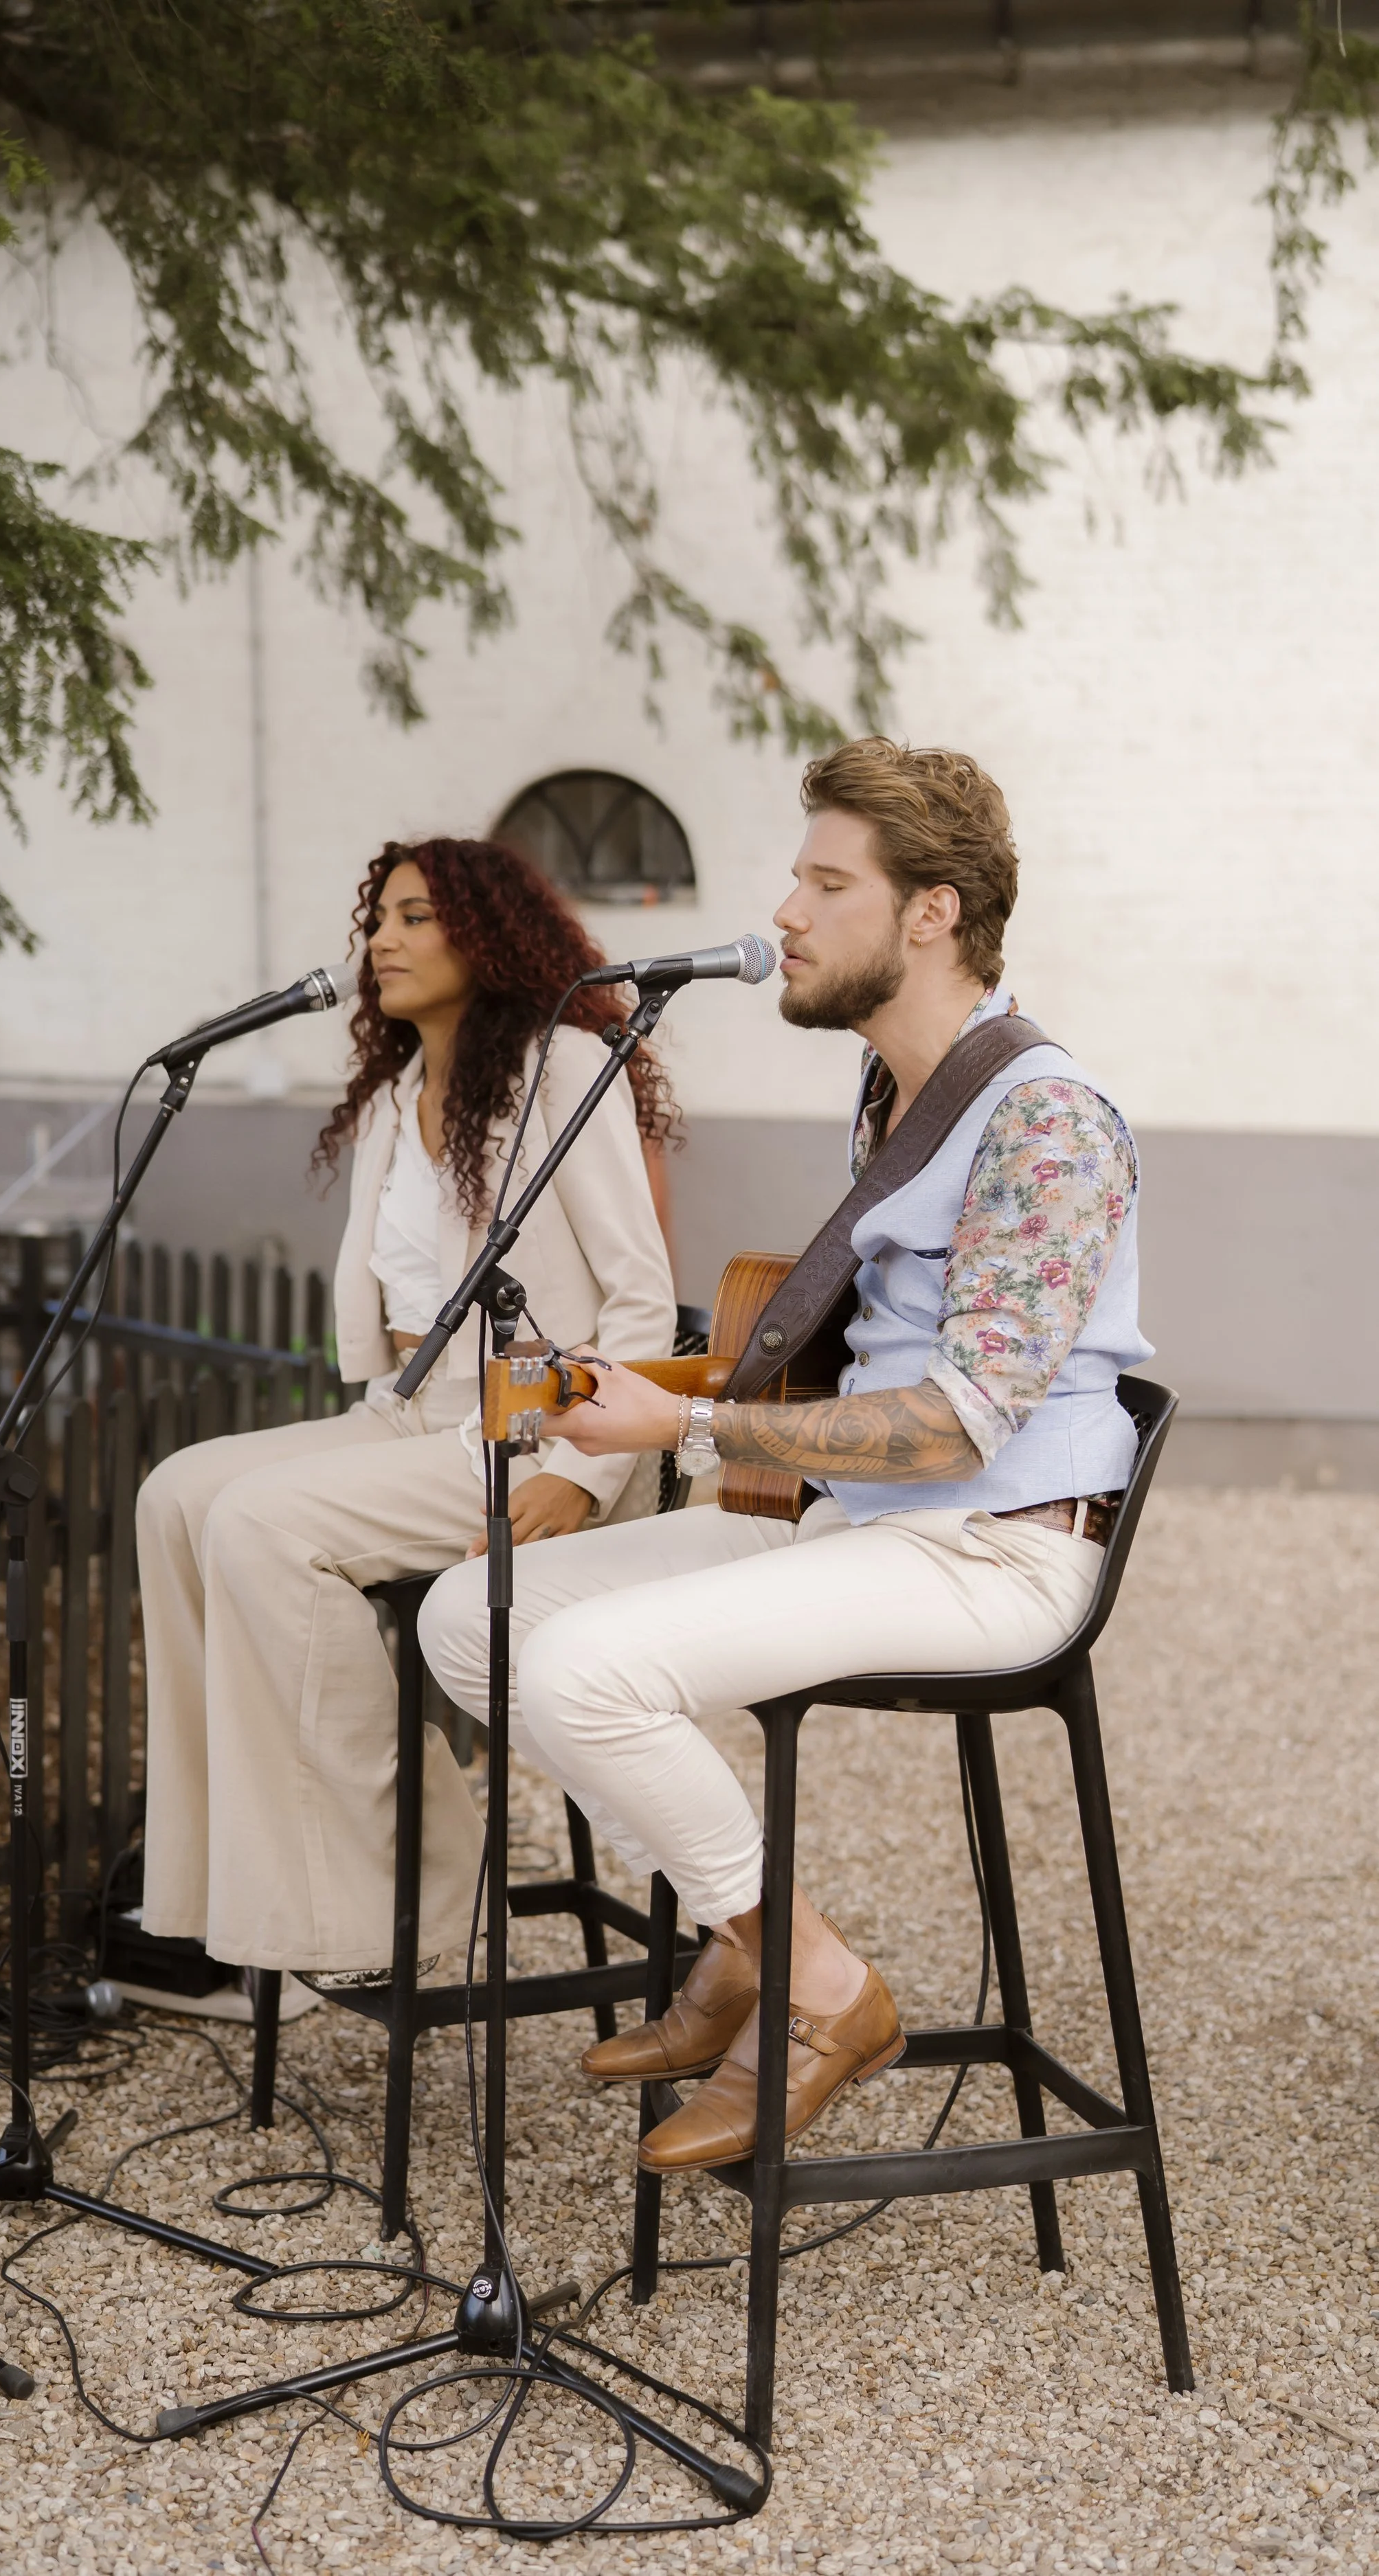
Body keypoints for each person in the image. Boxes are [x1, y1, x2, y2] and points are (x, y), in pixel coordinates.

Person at [419, 739, 1150, 2171]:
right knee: (470, 1617)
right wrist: (627, 1386)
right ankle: (771, 1950)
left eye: (827, 883)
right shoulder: (893, 1092)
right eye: (795, 877)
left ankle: (824, 1994)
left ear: (928, 913)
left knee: (583, 1671)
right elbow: (843, 1366)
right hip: (868, 1528)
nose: (787, 914)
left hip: (995, 1549)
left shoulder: (1046, 1120)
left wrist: (686, 1424)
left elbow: (955, 1419)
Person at [135, 838, 678, 1980]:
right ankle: (219, 1892)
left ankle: (429, 1859)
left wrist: (582, 1473)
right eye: (377, 917)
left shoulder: (563, 1065)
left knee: (263, 1525)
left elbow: (641, 1293)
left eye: (415, 917)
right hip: (410, 1411)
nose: (381, 940)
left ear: (488, 937)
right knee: (176, 1494)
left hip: (534, 1431)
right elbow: (387, 1316)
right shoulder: (394, 1099)